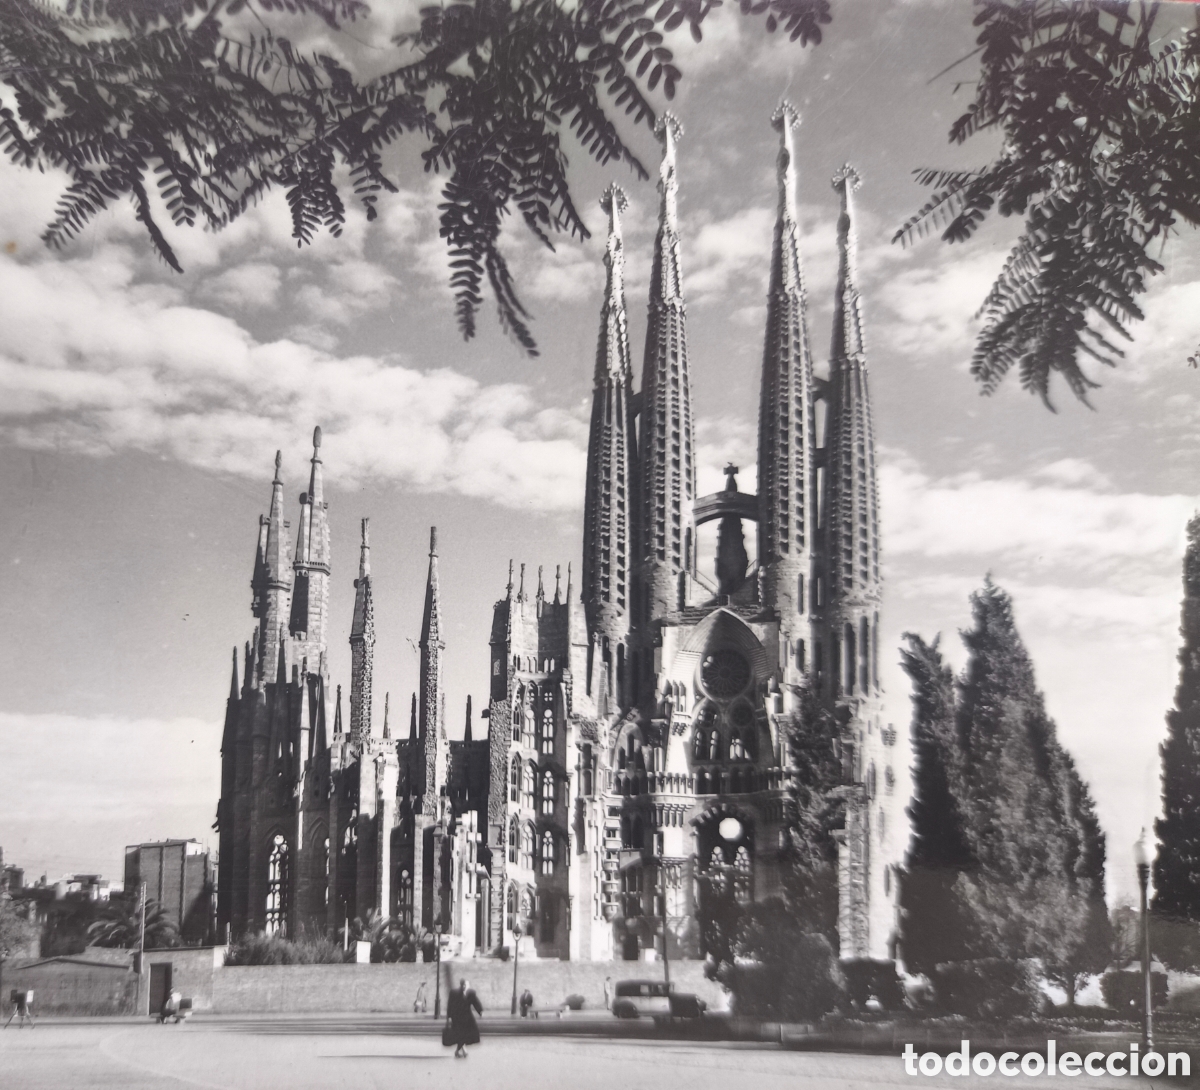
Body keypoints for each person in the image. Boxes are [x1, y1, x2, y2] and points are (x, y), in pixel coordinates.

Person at [443, 978, 482, 1058]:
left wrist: (480, 1011)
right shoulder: (454, 993)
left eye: (467, 985)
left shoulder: (471, 993)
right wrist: (449, 1016)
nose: (466, 987)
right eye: (464, 985)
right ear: (462, 985)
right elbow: (450, 1004)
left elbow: (475, 1002)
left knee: (464, 1034)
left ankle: (460, 1050)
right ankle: (461, 1050)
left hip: (468, 1018)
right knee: (461, 1034)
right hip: (457, 1018)